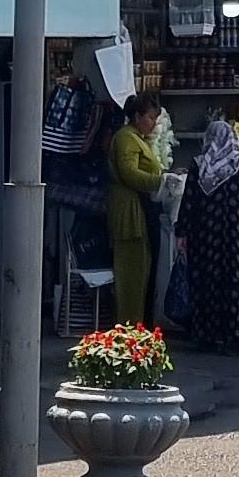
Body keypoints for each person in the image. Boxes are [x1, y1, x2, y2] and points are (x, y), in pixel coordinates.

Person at [180, 115, 239, 351]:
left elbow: (189, 202)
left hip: (205, 235)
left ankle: (206, 335)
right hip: (236, 235)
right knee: (234, 284)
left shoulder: (199, 166)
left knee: (206, 283)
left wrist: (182, 231)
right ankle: (234, 337)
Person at [102, 89, 165, 337]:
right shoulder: (126, 138)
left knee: (141, 270)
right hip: (128, 210)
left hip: (138, 207)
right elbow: (129, 173)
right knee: (131, 272)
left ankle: (136, 325)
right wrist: (159, 181)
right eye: (150, 117)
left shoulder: (137, 137)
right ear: (137, 116)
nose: (153, 123)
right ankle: (128, 327)